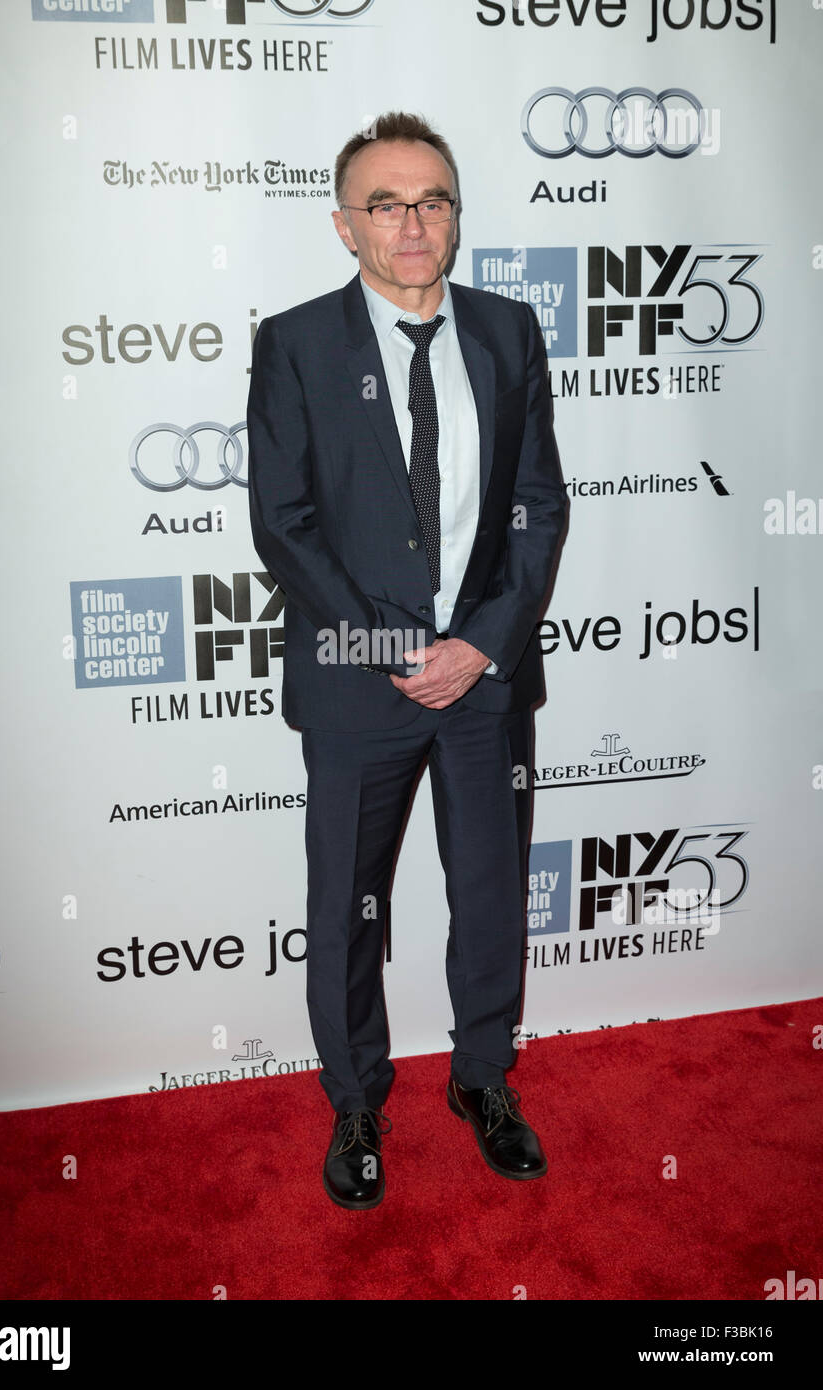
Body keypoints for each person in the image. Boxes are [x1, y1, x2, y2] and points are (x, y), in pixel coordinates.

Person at [246, 111, 567, 1210]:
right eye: (384, 203)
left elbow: (537, 504)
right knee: (346, 905)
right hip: (356, 682)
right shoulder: (295, 344)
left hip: (484, 682)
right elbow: (283, 524)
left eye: (430, 198)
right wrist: (397, 650)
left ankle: (482, 1080)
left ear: (456, 214)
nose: (411, 222)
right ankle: (355, 1100)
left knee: (487, 893)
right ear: (346, 226)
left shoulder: (508, 332)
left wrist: (478, 644)